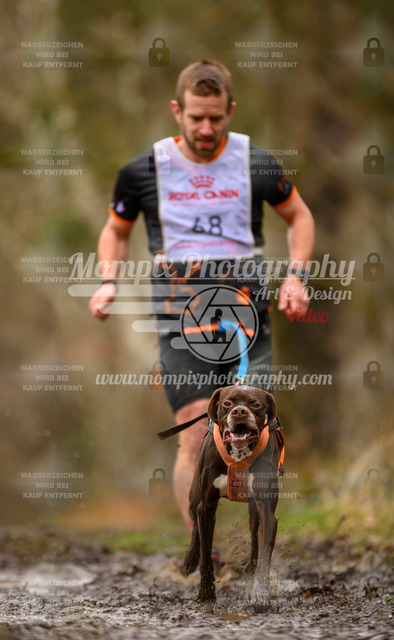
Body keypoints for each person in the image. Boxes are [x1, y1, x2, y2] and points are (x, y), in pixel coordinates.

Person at [89, 59, 315, 533]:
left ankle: (260, 553)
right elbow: (115, 230)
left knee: (258, 430)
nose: (206, 128)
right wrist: (108, 281)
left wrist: (297, 276)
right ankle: (202, 545)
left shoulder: (254, 162)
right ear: (177, 111)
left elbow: (299, 216)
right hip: (179, 312)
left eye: (215, 117)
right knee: (194, 433)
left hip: (246, 309)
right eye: (196, 117)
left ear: (231, 110)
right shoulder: (144, 170)